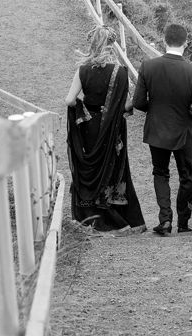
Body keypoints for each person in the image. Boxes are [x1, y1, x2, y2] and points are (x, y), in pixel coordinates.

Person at [65, 24, 146, 234]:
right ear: (112, 45)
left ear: (92, 44)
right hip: (113, 129)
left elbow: (70, 100)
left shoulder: (83, 71)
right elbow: (127, 104)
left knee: (90, 168)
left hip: (90, 128)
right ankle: (121, 216)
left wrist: (85, 110)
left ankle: (89, 216)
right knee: (114, 167)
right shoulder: (121, 72)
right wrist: (113, 111)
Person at [132, 23, 192, 236]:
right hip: (184, 131)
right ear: (186, 43)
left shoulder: (148, 67)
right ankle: (183, 223)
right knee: (186, 175)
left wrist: (154, 109)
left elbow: (138, 102)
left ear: (164, 40)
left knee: (160, 173)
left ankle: (165, 219)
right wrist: (190, 114)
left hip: (157, 128)